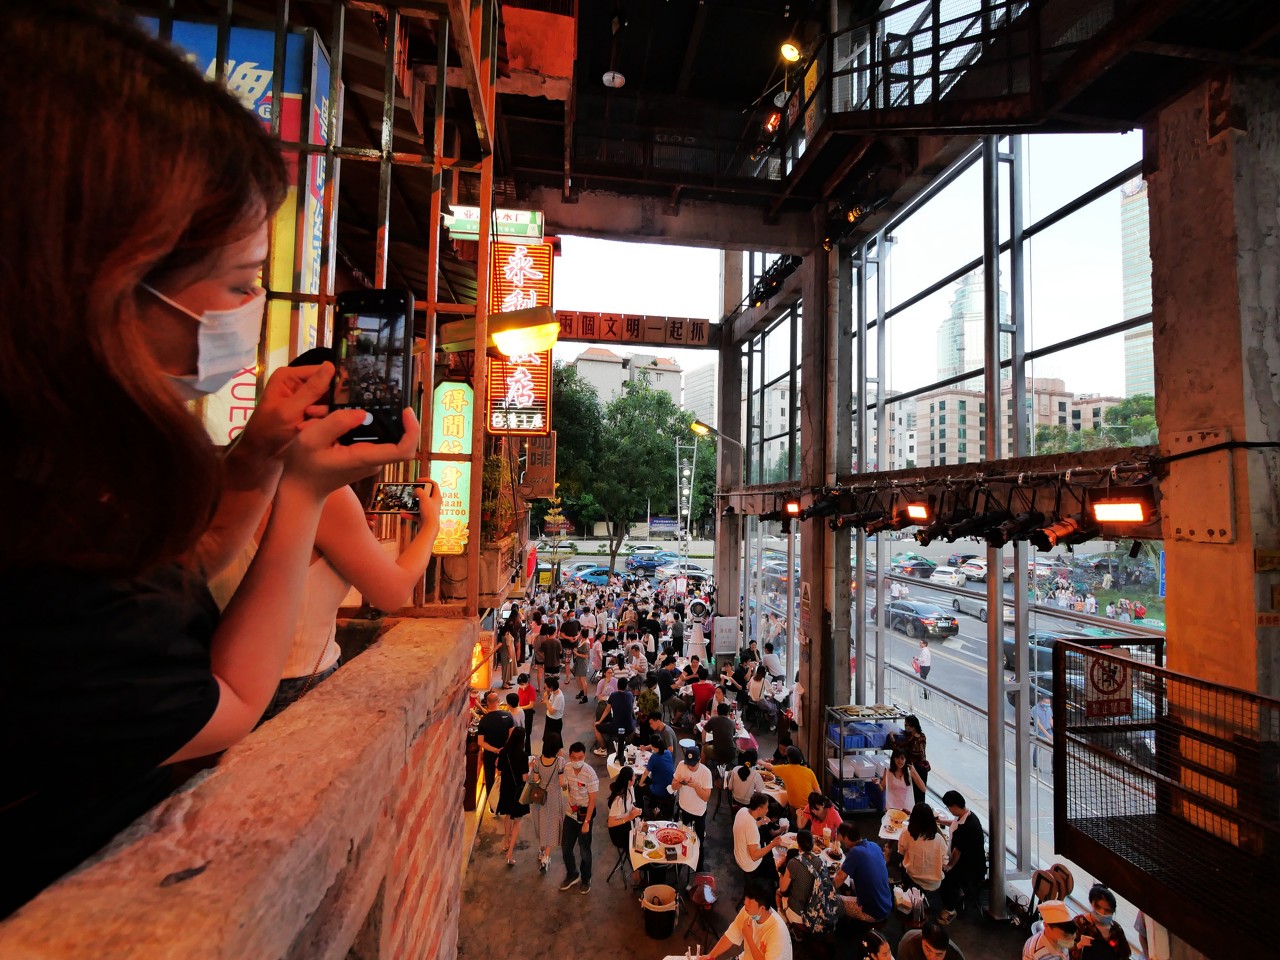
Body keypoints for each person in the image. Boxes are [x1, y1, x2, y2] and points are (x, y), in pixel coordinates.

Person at [0, 1, 421, 919]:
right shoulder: (37, 528)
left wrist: (260, 459)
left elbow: (181, 572)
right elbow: (225, 698)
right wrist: (307, 493)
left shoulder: (82, 474)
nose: (249, 312)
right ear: (99, 279)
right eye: (238, 283)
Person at [697, 874, 793, 960]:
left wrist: (749, 938)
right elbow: (732, 933)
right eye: (746, 898)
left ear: (762, 908)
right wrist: (711, 955)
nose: (745, 903)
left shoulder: (777, 933)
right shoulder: (749, 911)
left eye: (750, 901)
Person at [778, 829, 840, 935]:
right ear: (813, 844)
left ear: (798, 845)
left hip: (799, 914)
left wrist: (780, 871)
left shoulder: (793, 862)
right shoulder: (821, 861)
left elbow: (783, 889)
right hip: (819, 911)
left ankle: (784, 920)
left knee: (778, 893)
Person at [938, 790, 985, 924]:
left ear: (954, 806)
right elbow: (954, 823)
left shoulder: (968, 826)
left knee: (945, 877)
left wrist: (949, 866)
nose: (949, 809)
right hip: (967, 862)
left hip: (970, 868)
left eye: (948, 807)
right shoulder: (967, 816)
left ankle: (949, 910)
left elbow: (957, 852)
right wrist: (940, 821)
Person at [832, 821, 893, 924]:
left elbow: (840, 878)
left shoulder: (855, 852)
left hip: (873, 912)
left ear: (846, 837)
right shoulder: (874, 845)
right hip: (886, 903)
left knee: (832, 900)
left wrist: (825, 890)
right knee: (849, 882)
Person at [559, 742, 598, 894]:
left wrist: (587, 822)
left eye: (580, 757)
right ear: (570, 757)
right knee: (566, 848)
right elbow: (565, 786)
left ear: (584, 756)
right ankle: (572, 873)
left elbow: (592, 800)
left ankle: (586, 878)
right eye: (574, 758)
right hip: (570, 814)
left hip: (584, 816)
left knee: (584, 851)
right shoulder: (567, 768)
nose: (577, 760)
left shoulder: (590, 774)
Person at [527, 734, 566, 874]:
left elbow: (536, 779)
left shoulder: (538, 760)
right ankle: (546, 857)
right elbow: (561, 783)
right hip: (554, 796)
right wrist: (566, 784)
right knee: (553, 824)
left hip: (540, 796)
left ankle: (541, 849)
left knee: (541, 821)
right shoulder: (560, 762)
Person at [673, 744, 714, 870]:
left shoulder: (706, 773)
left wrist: (696, 786)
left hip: (698, 813)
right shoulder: (681, 765)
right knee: (676, 837)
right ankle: (676, 864)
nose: (689, 767)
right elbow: (673, 786)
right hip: (682, 808)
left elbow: (706, 797)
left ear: (699, 761)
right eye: (688, 764)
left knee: (698, 842)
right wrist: (680, 782)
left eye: (693, 765)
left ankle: (698, 868)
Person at [496, 725, 530, 865]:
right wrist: (530, 767)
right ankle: (510, 852)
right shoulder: (523, 755)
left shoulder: (503, 752)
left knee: (507, 816)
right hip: (518, 791)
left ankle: (505, 841)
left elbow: (499, 772)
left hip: (506, 789)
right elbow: (524, 778)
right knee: (517, 821)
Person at [897, 802, 949, 893]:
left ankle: (904, 884)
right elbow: (945, 861)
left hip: (912, 876)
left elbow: (901, 851)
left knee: (901, 860)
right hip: (934, 883)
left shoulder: (907, 833)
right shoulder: (939, 839)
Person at [733, 792, 783, 881]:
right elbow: (754, 856)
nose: (767, 810)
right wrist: (773, 844)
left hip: (738, 854)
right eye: (766, 807)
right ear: (759, 809)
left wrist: (760, 822)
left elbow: (747, 827)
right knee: (774, 863)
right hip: (748, 865)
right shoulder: (752, 828)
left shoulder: (743, 810)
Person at [1073, 884, 1130, 959]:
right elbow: (1066, 952)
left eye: (1107, 910)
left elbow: (1125, 955)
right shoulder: (1079, 924)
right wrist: (1080, 945)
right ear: (1092, 904)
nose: (1102, 913)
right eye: (1098, 907)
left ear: (1113, 911)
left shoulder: (1116, 929)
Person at [476, 690, 514, 795]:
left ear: (487, 703)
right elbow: (511, 736)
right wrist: (502, 750)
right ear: (499, 701)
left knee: (489, 776)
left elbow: (480, 742)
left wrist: (495, 750)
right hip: (505, 752)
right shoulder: (508, 716)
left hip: (489, 753)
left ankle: (491, 799)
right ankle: (504, 797)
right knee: (505, 775)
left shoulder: (483, 720)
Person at [594, 676, 636, 758]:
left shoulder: (613, 695)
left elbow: (607, 710)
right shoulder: (630, 695)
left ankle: (603, 749)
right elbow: (631, 709)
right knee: (635, 723)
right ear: (626, 686)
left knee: (596, 727)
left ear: (617, 686)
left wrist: (599, 721)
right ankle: (626, 743)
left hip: (616, 727)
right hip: (629, 727)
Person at [771, 746, 821, 814]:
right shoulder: (809, 772)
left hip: (795, 809)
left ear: (789, 758)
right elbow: (818, 792)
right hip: (810, 809)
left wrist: (762, 762)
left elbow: (770, 767)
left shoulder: (786, 769)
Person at [605, 765, 642, 852]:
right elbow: (610, 823)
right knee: (639, 843)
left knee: (642, 834)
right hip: (618, 830)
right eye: (634, 776)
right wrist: (629, 817)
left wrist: (635, 809)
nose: (635, 777)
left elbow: (630, 804)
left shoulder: (630, 788)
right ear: (629, 781)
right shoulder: (618, 800)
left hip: (627, 823)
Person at [638, 735, 676, 820]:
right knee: (648, 780)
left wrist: (640, 784)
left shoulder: (654, 757)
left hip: (660, 791)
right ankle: (653, 803)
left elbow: (645, 773)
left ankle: (640, 813)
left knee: (638, 788)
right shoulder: (668, 753)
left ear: (653, 746)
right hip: (670, 788)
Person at [899, 715, 932, 805]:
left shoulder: (912, 740)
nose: (905, 726)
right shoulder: (922, 736)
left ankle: (915, 809)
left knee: (914, 793)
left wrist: (892, 738)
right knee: (920, 793)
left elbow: (899, 749)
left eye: (907, 725)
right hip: (923, 768)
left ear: (913, 726)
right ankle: (920, 808)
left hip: (915, 769)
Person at [883, 747, 926, 813]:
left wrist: (914, 771)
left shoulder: (909, 772)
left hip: (906, 809)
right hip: (891, 809)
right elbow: (882, 787)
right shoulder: (888, 771)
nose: (900, 761)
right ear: (893, 759)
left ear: (906, 760)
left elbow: (923, 789)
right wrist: (878, 783)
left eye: (902, 758)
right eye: (897, 758)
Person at [898, 921, 966, 960]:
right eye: (928, 950)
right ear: (922, 939)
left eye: (939, 954)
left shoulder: (955, 956)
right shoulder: (908, 943)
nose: (932, 958)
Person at [703, 702, 739, 769]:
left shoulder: (713, 719)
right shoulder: (732, 723)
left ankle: (703, 767)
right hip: (731, 754)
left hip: (718, 752)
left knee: (705, 748)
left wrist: (703, 742)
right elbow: (733, 735)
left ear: (717, 712)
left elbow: (704, 730)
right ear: (728, 713)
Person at [1031, 691, 1054, 771]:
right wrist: (1047, 735)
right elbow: (1038, 724)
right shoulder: (1035, 709)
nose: (1048, 704)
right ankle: (1035, 765)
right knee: (1038, 748)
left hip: (1049, 729)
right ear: (1041, 701)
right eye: (1046, 703)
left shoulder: (1049, 708)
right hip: (1040, 731)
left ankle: (1053, 768)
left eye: (1049, 703)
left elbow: (1050, 719)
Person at [543, 676, 565, 742]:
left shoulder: (559, 697)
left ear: (551, 687)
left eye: (546, 687)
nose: (545, 689)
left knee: (553, 742)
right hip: (549, 719)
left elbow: (552, 711)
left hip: (554, 722)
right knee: (546, 740)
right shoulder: (553, 692)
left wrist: (546, 700)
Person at [516, 673, 537, 742]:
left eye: (522, 684)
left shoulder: (531, 690)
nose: (520, 686)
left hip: (527, 713)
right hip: (520, 711)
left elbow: (531, 705)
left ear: (526, 682)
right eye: (520, 684)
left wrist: (520, 708)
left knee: (527, 732)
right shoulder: (520, 688)